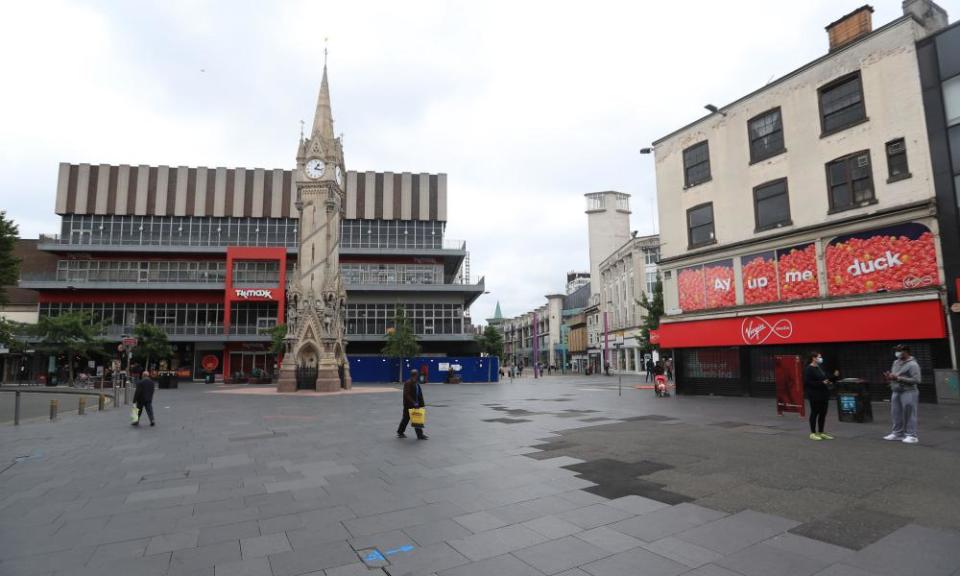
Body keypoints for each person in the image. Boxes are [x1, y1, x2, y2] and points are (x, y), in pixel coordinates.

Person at [883, 344, 921, 444]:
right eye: (896, 351)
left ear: (906, 352)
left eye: (899, 351)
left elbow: (917, 380)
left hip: (909, 391)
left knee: (909, 413)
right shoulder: (896, 362)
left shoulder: (913, 364)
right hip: (896, 390)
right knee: (896, 413)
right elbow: (894, 375)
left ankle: (912, 435)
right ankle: (897, 434)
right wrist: (889, 377)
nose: (897, 353)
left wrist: (898, 378)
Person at [803, 352, 837, 441]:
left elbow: (825, 377)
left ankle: (821, 432)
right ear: (813, 358)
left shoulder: (819, 367)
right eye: (819, 357)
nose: (821, 358)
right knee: (814, 413)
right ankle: (813, 433)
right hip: (814, 394)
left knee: (823, 413)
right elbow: (808, 383)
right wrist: (821, 383)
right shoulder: (809, 369)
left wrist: (832, 378)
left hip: (824, 394)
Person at [398, 369, 427, 440]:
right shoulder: (408, 383)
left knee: (417, 419)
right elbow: (406, 394)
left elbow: (418, 394)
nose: (418, 375)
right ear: (415, 375)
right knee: (406, 419)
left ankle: (420, 435)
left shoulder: (415, 383)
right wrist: (414, 402)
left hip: (415, 405)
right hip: (409, 405)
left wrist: (420, 403)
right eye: (417, 374)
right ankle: (400, 432)